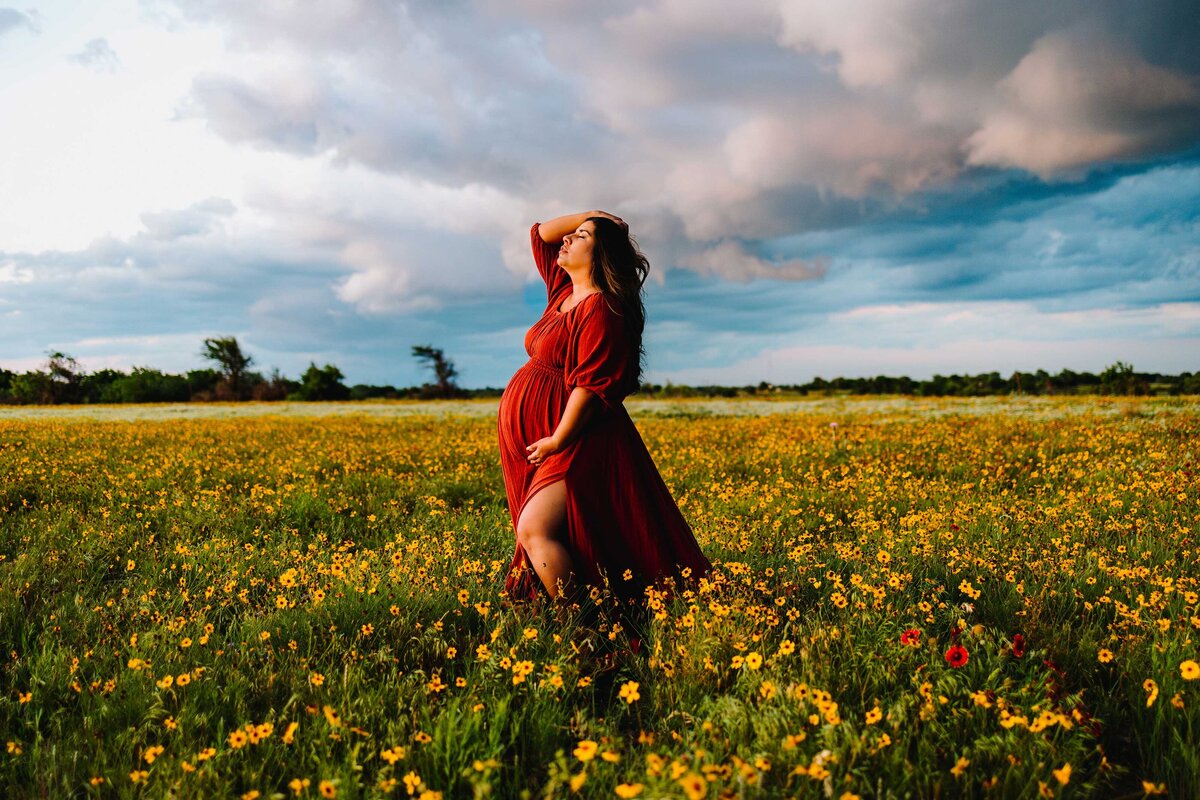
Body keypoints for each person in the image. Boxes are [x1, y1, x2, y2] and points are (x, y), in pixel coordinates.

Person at [497, 210, 711, 607]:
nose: (567, 240)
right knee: (557, 531)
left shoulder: (601, 307)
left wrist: (559, 439)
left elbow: (590, 385)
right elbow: (541, 234)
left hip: (576, 436)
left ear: (600, 256)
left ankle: (582, 632)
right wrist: (590, 215)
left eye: (579, 237)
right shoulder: (563, 292)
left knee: (535, 529)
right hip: (539, 433)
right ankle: (584, 620)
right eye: (573, 234)